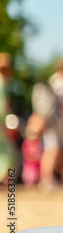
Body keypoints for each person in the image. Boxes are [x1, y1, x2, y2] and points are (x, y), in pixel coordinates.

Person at [33, 58, 63, 190]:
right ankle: (48, 180)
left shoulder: (52, 80)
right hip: (57, 123)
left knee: (51, 149)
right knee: (54, 150)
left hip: (48, 121)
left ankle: (48, 179)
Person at [0, 53, 15, 184]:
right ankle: (5, 179)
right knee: (6, 150)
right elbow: (3, 106)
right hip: (1, 119)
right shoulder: (2, 82)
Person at [21, 113, 44, 186]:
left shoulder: (39, 143)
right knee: (30, 178)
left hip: (36, 165)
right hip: (30, 166)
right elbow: (26, 154)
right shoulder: (27, 143)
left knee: (36, 177)